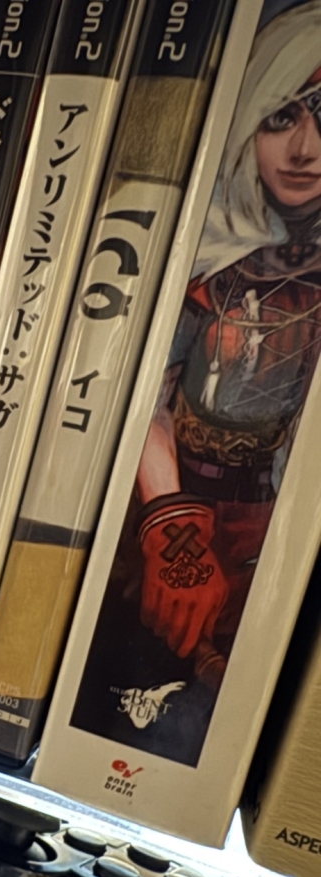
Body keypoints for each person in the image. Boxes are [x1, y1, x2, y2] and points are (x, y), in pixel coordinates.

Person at [135, 2, 321, 676]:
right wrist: (174, 531)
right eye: (282, 118)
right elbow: (141, 398)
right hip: (182, 509)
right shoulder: (208, 258)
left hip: (283, 528)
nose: (305, 149)